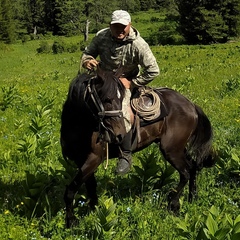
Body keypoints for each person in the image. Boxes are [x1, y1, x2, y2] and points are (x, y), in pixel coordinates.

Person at [81, 10, 160, 175]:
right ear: (110, 26)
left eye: (123, 26)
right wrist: (87, 61)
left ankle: (125, 155)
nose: (120, 30)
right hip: (103, 79)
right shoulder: (101, 36)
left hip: (125, 83)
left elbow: (153, 70)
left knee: (123, 113)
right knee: (83, 103)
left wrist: (131, 83)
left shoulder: (138, 44)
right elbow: (88, 53)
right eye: (116, 26)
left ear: (129, 25)